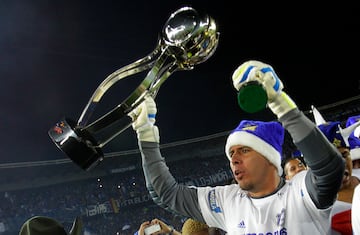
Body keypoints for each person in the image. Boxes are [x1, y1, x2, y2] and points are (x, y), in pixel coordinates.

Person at [129, 60, 344, 234]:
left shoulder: (299, 192)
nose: (234, 159)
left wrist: (279, 102)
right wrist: (146, 134)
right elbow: (165, 193)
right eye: (231, 153)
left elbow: (328, 169)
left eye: (244, 150)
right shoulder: (226, 201)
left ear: (270, 157)